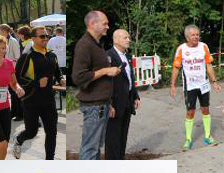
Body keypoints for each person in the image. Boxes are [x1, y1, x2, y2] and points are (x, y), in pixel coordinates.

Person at [72, 10, 120, 160]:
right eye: (105, 23)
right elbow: (78, 77)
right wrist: (105, 70)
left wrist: (109, 103)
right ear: (93, 24)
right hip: (94, 107)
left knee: (95, 148)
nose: (108, 26)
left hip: (100, 105)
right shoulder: (85, 44)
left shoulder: (96, 44)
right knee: (90, 148)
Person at [13, 27, 64, 160]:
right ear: (33, 38)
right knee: (31, 132)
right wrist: (36, 82)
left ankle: (49, 161)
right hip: (31, 100)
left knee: (52, 132)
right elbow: (17, 78)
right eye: (42, 36)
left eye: (47, 36)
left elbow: (57, 71)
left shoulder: (51, 54)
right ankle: (19, 139)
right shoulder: (27, 56)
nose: (46, 38)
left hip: (48, 100)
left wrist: (61, 79)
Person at [170, 25, 221, 149]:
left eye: (197, 34)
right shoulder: (181, 49)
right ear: (187, 37)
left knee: (205, 109)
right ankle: (188, 139)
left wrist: (214, 81)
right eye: (193, 35)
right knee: (190, 111)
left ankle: (208, 136)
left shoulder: (204, 47)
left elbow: (208, 65)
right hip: (190, 86)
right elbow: (176, 67)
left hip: (203, 84)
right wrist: (172, 85)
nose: (196, 37)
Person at [105, 29, 140, 160]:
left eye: (129, 37)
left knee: (123, 135)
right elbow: (105, 83)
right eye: (125, 38)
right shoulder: (108, 56)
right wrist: (109, 104)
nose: (128, 40)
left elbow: (130, 78)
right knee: (112, 138)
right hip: (114, 104)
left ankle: (121, 160)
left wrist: (136, 96)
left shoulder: (128, 56)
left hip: (127, 102)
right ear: (116, 40)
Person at [0, 24, 23, 122]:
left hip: (13, 70)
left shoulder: (13, 41)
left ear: (5, 31)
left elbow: (18, 57)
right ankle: (13, 112)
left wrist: (8, 62)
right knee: (11, 93)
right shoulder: (3, 41)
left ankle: (19, 113)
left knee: (15, 92)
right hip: (6, 70)